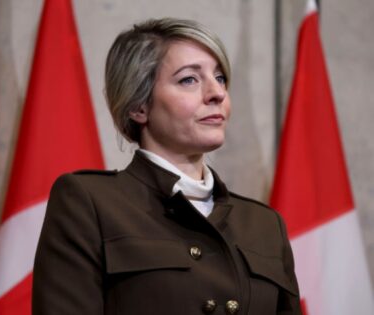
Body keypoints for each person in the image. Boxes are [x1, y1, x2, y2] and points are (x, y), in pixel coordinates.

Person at [32, 18, 301, 315]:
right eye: (189, 79)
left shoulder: (265, 225)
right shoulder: (89, 202)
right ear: (139, 106)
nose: (217, 93)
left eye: (220, 78)